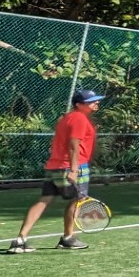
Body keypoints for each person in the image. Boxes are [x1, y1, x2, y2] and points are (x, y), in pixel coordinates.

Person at [10, 89, 105, 252]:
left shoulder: (66, 118)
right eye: (92, 101)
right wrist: (74, 169)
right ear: (79, 105)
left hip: (54, 166)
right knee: (76, 200)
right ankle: (68, 238)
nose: (96, 103)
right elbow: (73, 145)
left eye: (96, 100)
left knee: (44, 200)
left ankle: (20, 240)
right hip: (73, 166)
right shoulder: (80, 119)